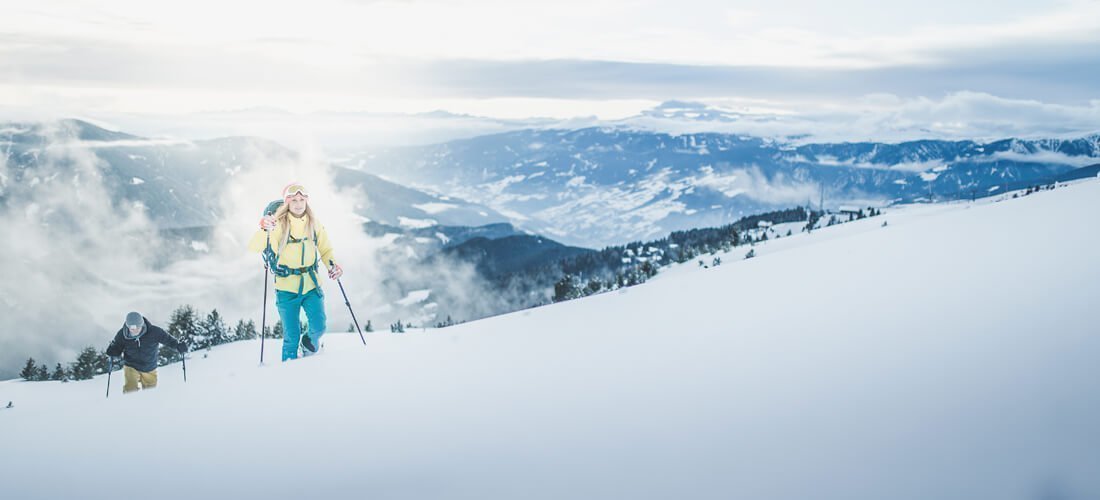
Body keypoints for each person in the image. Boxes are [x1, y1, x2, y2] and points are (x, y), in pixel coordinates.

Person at [248, 182, 343, 361]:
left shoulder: (314, 224)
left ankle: (308, 344)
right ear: (287, 203)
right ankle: (288, 372)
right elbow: (255, 246)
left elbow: (325, 249)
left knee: (319, 326)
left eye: (302, 199)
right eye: (294, 200)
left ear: (307, 201)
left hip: (311, 284)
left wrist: (332, 266)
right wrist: (264, 229)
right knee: (291, 335)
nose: (299, 204)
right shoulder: (278, 225)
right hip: (286, 288)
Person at [105, 312, 187, 393]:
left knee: (150, 392)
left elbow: (168, 340)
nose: (135, 330)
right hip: (131, 365)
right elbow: (117, 346)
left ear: (142, 324)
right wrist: (113, 351)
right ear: (128, 326)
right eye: (132, 328)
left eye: (138, 327)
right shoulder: (122, 334)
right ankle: (129, 404)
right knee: (130, 389)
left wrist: (178, 345)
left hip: (149, 366)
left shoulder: (154, 332)